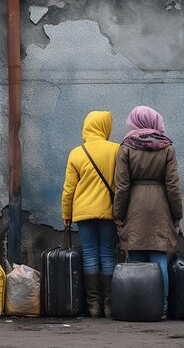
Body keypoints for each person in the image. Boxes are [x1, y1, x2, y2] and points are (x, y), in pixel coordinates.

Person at [113, 105, 183, 318]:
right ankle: (161, 308)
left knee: (134, 256)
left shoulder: (126, 147)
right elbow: (173, 185)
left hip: (135, 205)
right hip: (160, 206)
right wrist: (176, 213)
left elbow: (122, 185)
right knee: (159, 256)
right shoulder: (167, 147)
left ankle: (135, 306)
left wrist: (119, 213)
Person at [61, 111, 119, 318]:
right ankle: (109, 304)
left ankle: (93, 306)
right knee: (107, 253)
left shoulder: (76, 153)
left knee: (90, 255)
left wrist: (66, 214)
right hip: (108, 212)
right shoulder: (116, 150)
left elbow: (69, 189)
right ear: (105, 127)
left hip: (83, 213)